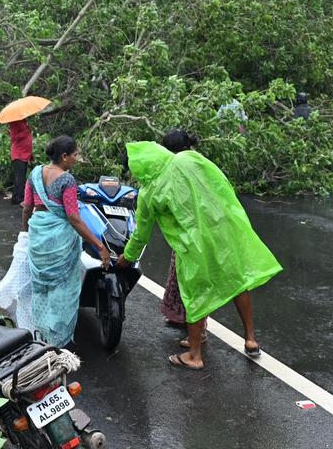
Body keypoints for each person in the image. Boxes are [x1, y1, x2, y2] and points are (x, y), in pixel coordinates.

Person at [118, 130, 282, 371]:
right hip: (221, 231)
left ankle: (194, 355)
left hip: (192, 245)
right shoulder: (188, 159)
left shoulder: (148, 192)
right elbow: (221, 182)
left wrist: (127, 258)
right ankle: (251, 339)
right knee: (238, 282)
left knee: (194, 296)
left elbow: (141, 234)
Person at [25, 136, 109, 346]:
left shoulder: (35, 174)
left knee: (42, 287)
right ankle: (57, 339)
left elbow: (27, 207)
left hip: (38, 234)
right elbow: (73, 217)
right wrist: (100, 246)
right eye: (75, 155)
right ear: (64, 157)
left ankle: (41, 334)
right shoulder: (67, 180)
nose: (76, 158)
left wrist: (25, 232)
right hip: (59, 238)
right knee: (61, 289)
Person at [5, 119, 33, 203]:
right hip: (18, 154)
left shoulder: (23, 121)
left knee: (20, 177)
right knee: (20, 178)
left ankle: (16, 197)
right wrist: (26, 131)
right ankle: (19, 198)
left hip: (24, 154)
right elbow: (14, 137)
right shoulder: (14, 122)